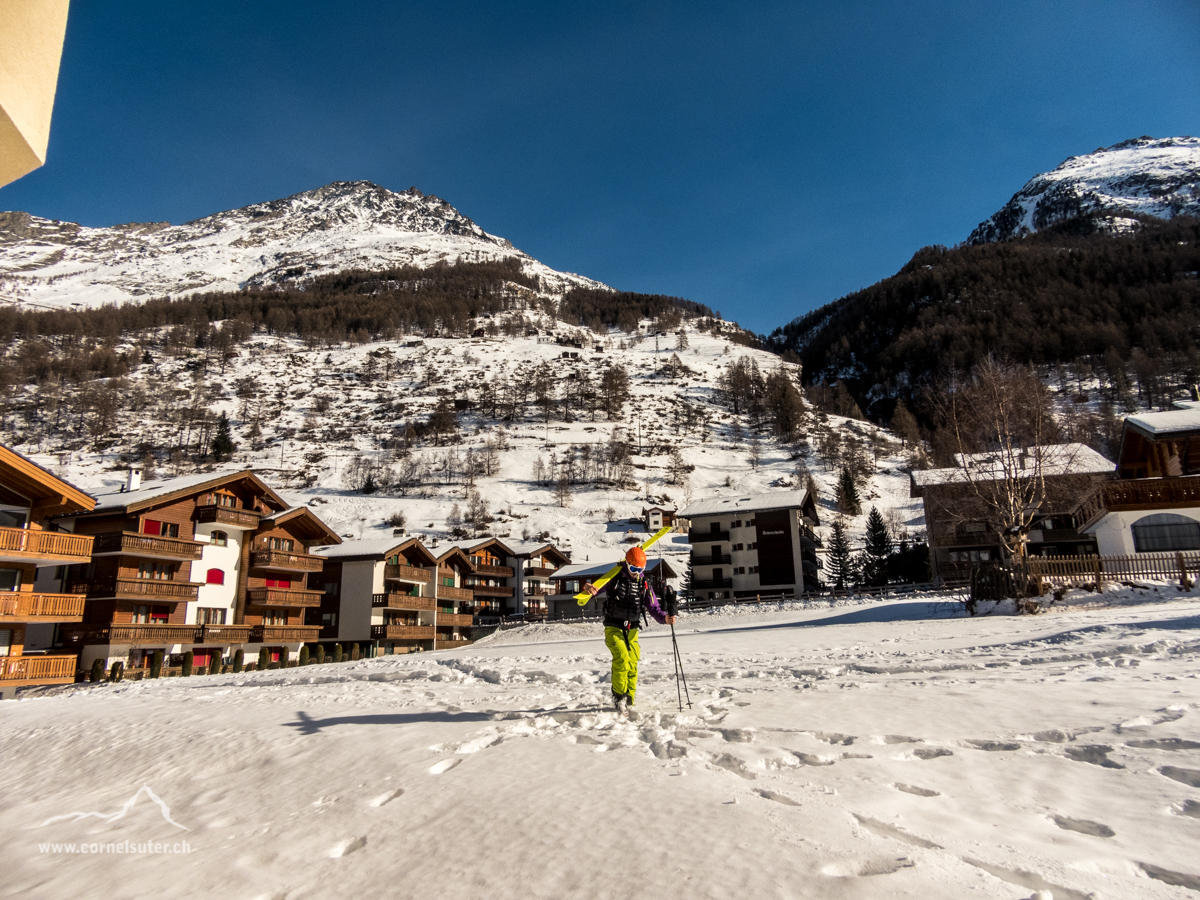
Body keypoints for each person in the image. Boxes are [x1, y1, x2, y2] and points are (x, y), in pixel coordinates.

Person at [583, 546, 676, 715]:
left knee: (632, 663)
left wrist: (665, 618)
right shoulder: (614, 578)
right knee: (622, 659)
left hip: (632, 629)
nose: (636, 573)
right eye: (633, 569)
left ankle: (629, 697)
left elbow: (653, 607)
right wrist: (587, 587)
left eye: (640, 570)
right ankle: (619, 697)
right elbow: (594, 589)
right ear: (627, 564)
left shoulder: (644, 583)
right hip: (613, 626)